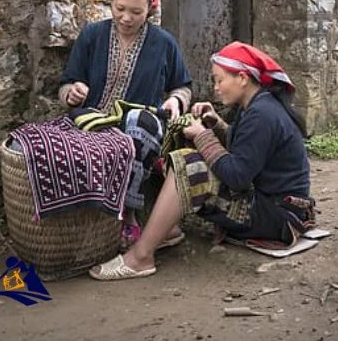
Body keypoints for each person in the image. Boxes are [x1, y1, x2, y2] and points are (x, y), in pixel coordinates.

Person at [89, 41, 314, 281]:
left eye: (220, 80)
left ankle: (141, 257)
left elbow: (238, 176)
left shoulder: (262, 114)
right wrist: (216, 125)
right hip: (271, 206)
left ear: (242, 78)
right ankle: (166, 230)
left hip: (279, 216)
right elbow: (249, 150)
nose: (216, 88)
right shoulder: (256, 106)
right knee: (178, 155)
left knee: (190, 165)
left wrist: (203, 135)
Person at [60, 0, 192, 248]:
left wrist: (175, 101)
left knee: (138, 123)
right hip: (93, 117)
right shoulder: (92, 35)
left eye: (136, 12)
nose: (126, 18)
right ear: (111, 3)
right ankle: (75, 221)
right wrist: (72, 93)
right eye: (120, 9)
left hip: (143, 122)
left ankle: (127, 214)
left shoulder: (164, 43)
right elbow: (67, 83)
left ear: (150, 11)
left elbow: (183, 86)